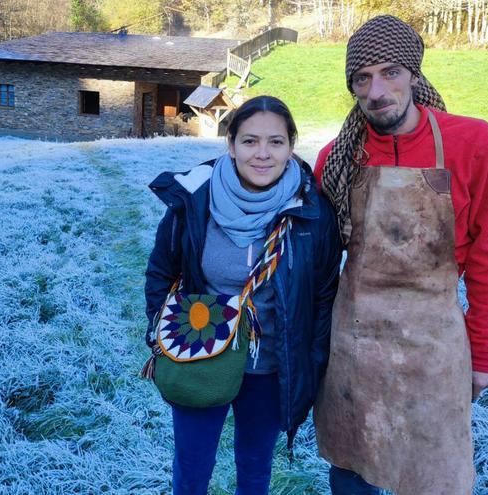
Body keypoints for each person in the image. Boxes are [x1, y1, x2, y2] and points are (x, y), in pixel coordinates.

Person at [311, 15, 488, 495]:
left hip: (433, 348)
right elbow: (314, 264)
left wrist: (484, 352)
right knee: (352, 471)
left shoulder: (474, 144)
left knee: (434, 477)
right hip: (353, 345)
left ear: (415, 75)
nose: (377, 90)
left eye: (390, 73)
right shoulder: (336, 159)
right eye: (363, 78)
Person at [144, 95, 342, 494]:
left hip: (271, 366)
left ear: (291, 146)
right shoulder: (194, 199)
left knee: (254, 471)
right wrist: (162, 334)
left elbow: (323, 296)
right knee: (192, 468)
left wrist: (313, 363)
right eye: (250, 141)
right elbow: (160, 271)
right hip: (200, 354)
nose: (262, 154)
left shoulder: (312, 211)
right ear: (230, 144)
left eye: (276, 141)